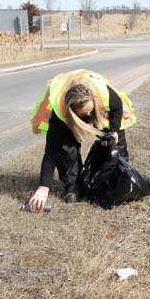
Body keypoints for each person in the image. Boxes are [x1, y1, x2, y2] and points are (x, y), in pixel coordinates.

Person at [28, 69, 136, 212]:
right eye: (85, 114)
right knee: (65, 148)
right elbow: (51, 152)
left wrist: (114, 130)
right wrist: (43, 187)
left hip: (101, 105)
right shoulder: (61, 115)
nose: (89, 115)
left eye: (90, 111)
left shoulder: (104, 94)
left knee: (115, 142)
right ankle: (73, 187)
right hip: (68, 106)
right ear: (73, 112)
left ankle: (117, 182)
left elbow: (116, 107)